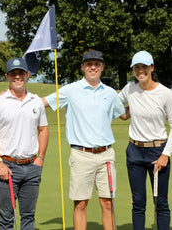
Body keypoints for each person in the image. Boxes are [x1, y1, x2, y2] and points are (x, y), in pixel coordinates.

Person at [42, 50, 127, 230]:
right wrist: (16, 94)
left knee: (107, 203)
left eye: (97, 64)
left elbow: (124, 115)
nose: (93, 67)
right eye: (89, 64)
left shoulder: (111, 93)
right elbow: (43, 102)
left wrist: (141, 97)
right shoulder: (71, 90)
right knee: (80, 204)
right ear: (82, 67)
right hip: (81, 155)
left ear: (102, 67)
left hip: (106, 156)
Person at [0, 57, 49, 230]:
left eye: (21, 73)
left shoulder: (36, 101)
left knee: (28, 217)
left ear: (27, 74)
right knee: (6, 218)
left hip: (32, 167)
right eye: (13, 73)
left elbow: (43, 130)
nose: (17, 76)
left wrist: (40, 157)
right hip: (7, 167)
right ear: (7, 76)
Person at [119, 51, 172, 230]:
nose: (140, 71)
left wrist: (166, 154)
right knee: (138, 203)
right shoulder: (129, 89)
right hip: (134, 151)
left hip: (158, 152)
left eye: (144, 67)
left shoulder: (165, 93)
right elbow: (117, 108)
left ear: (152, 68)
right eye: (136, 67)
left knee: (161, 203)